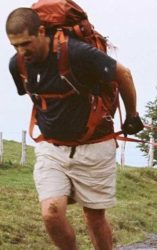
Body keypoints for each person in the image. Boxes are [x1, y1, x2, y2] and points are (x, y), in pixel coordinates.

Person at [6, 8, 143, 250]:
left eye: (26, 43)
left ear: (40, 31)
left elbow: (124, 74)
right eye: (15, 45)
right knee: (51, 212)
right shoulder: (17, 65)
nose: (21, 51)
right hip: (52, 148)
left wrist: (132, 115)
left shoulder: (77, 53)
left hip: (94, 145)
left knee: (94, 217)